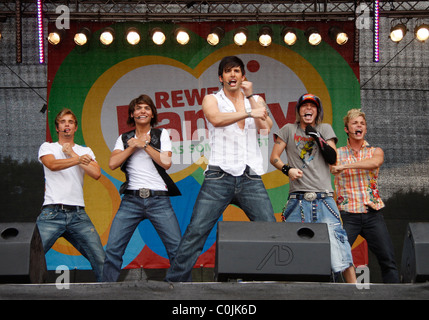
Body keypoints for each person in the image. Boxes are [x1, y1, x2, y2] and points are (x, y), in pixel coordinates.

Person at [165, 56, 276, 282]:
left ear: (243, 76)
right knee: (197, 231)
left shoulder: (254, 101)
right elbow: (215, 119)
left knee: (269, 229)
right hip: (219, 175)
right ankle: (173, 284)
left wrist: (252, 98)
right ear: (221, 77)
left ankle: (269, 283)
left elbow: (266, 127)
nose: (232, 75)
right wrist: (247, 113)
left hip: (249, 176)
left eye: (237, 71)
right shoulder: (212, 99)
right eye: (228, 71)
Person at [270, 93, 356, 283]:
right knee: (290, 249)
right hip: (297, 200)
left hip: (324, 199)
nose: (308, 109)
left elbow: (333, 158)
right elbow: (274, 157)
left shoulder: (324, 128)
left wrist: (317, 136)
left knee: (338, 245)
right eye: (304, 106)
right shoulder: (287, 129)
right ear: (298, 110)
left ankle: (354, 292)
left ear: (317, 111)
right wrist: (288, 169)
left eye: (312, 106)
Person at [103, 94, 182, 282]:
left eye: (147, 108)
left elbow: (166, 162)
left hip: (159, 200)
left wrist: (145, 144)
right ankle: (105, 292)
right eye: (138, 108)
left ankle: (182, 292)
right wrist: (132, 147)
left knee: (177, 249)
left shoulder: (160, 134)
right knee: (113, 249)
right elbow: (112, 163)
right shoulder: (124, 138)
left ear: (152, 114)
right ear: (132, 114)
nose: (142, 111)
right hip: (131, 201)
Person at [331, 108, 399, 283]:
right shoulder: (337, 153)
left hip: (372, 213)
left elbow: (375, 163)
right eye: (355, 123)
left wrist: (345, 167)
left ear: (365, 129)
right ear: (347, 129)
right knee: (337, 262)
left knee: (388, 260)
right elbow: (329, 168)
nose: (359, 126)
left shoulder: (375, 151)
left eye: (362, 123)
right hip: (348, 214)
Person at [37, 108, 105, 282]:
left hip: (78, 214)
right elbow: (51, 164)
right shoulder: (48, 146)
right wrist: (77, 159)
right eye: (62, 122)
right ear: (57, 128)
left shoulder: (85, 150)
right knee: (30, 255)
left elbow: (96, 174)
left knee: (101, 259)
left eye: (71, 122)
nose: (67, 124)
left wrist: (74, 154)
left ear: (75, 128)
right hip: (52, 212)